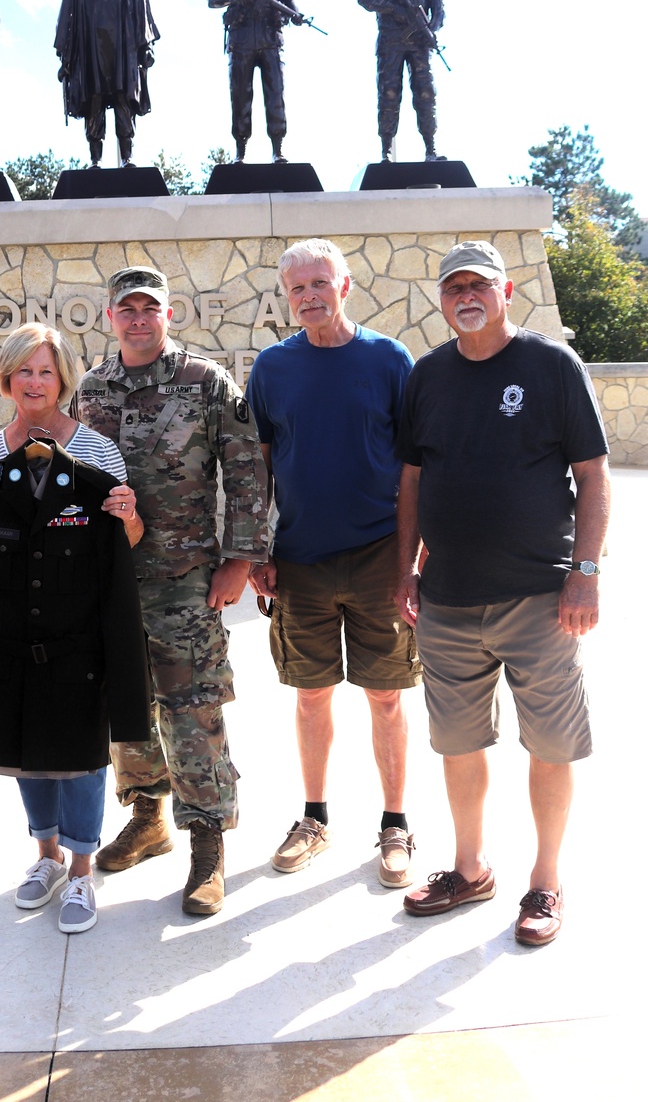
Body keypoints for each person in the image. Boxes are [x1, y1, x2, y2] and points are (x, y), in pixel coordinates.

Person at [394, 241, 609, 945]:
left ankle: (545, 883)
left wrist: (586, 572)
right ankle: (469, 869)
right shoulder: (427, 376)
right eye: (453, 286)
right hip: (448, 600)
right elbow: (414, 482)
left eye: (478, 285)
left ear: (506, 290)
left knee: (549, 745)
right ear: (443, 299)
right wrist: (407, 570)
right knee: (459, 745)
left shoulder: (551, 366)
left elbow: (593, 476)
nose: (466, 296)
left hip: (540, 600)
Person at [0, 323, 150, 935]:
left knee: (81, 754)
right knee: (28, 752)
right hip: (7, 636)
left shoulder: (96, 451)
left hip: (78, 637)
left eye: (46, 371)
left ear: (63, 379)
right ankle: (46, 859)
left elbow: (126, 541)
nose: (36, 382)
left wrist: (128, 515)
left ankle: (83, 872)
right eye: (24, 371)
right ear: (7, 379)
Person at [72, 266, 268, 916]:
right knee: (124, 708)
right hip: (110, 583)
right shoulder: (92, 390)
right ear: (109, 317)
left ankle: (208, 849)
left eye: (148, 308)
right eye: (125, 309)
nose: (136, 318)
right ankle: (148, 818)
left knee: (193, 713)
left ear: (168, 314)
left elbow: (246, 473)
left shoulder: (207, 383)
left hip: (185, 582)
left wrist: (240, 558)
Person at [246, 239, 420, 887]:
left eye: (320, 282)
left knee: (385, 696)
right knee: (312, 694)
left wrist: (411, 562)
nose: (309, 295)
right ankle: (314, 818)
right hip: (300, 561)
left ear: (345, 286)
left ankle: (396, 826)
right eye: (297, 288)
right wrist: (258, 548)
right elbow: (258, 467)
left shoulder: (388, 360)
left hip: (379, 557)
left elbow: (414, 471)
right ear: (286, 297)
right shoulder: (272, 368)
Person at [54, 0, 160, 167]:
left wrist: (146, 47)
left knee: (124, 100)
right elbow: (66, 22)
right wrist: (66, 58)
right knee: (94, 101)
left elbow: (142, 12)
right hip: (90, 51)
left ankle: (127, 157)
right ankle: (95, 160)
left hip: (122, 51)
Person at [206, 0, 304, 164]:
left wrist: (295, 12)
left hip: (270, 36)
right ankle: (240, 151)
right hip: (241, 37)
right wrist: (236, 0)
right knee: (240, 96)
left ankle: (278, 149)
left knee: (275, 94)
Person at [357, 0, 445, 163]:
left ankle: (431, 149)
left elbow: (438, 6)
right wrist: (392, 9)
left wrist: (432, 30)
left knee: (426, 93)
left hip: (419, 43)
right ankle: (386, 150)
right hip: (391, 43)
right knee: (389, 93)